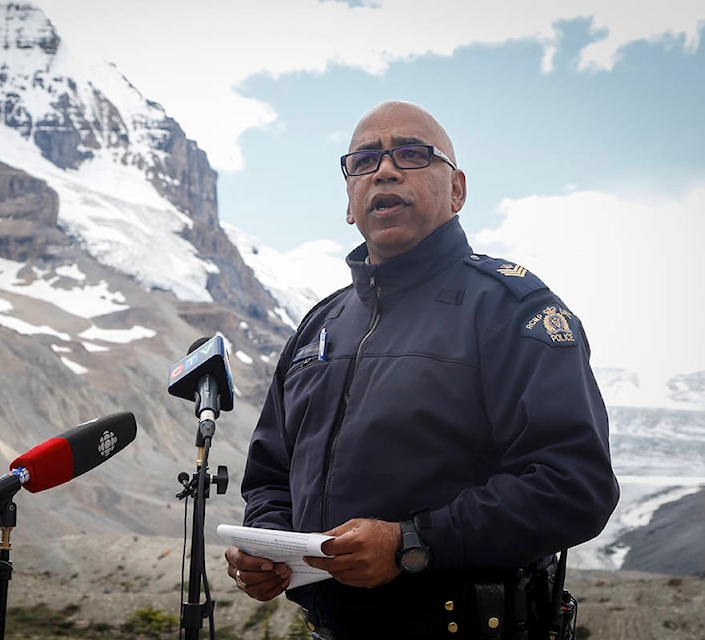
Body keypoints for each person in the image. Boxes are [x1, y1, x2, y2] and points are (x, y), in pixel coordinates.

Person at [224, 101, 620, 639]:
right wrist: (268, 545)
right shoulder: (321, 325)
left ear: (456, 191)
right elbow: (271, 475)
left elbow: (575, 485)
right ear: (349, 202)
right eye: (364, 161)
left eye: (411, 154)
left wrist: (411, 544)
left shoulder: (511, 309)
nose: (385, 169)